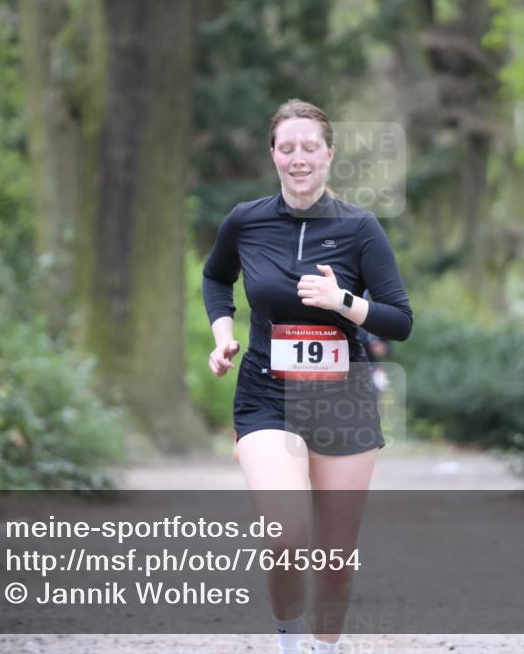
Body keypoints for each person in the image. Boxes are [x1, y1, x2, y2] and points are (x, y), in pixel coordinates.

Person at [202, 98, 412, 654]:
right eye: (287, 147)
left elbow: (401, 319)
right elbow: (215, 279)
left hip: (342, 398)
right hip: (266, 395)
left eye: (310, 148)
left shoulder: (361, 228)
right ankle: (288, 640)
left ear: (329, 155)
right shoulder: (245, 220)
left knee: (336, 558)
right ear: (273, 154)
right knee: (286, 535)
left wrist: (344, 301)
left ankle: (324, 646)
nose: (299, 158)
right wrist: (223, 334)